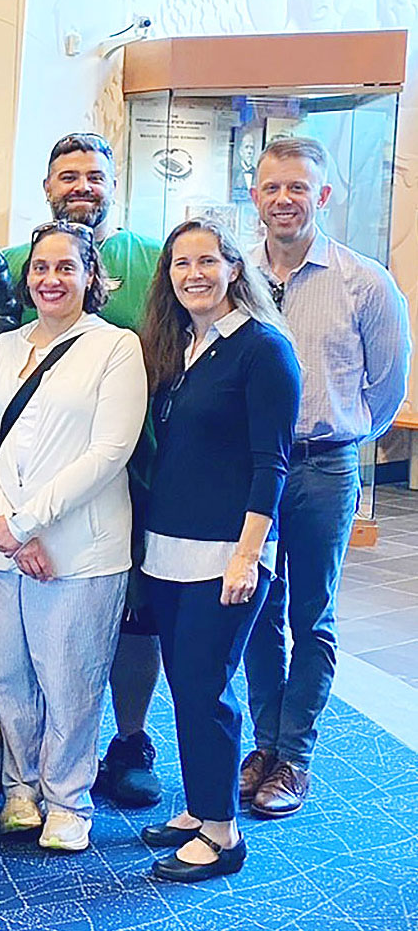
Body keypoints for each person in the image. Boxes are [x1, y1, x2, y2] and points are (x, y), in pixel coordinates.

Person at [0, 131, 167, 807]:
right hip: (18, 499)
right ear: (47, 187)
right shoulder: (11, 262)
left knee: (125, 622)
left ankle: (127, 740)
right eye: (68, 176)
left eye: (95, 176)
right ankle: (26, 774)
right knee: (19, 653)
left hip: (139, 472)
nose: (82, 186)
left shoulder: (153, 260)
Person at [0, 220, 146, 851]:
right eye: (40, 267)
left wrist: (25, 524)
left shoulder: (115, 347)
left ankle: (68, 800)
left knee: (70, 679)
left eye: (66, 267)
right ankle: (21, 787)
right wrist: (6, 528)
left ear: (91, 278)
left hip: (80, 550)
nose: (51, 279)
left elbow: (108, 453)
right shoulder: (5, 348)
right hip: (5, 547)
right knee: (10, 674)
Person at [241, 136, 411, 817]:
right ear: (254, 195)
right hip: (254, 469)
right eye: (272, 187)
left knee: (311, 614)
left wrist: (336, 434)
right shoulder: (237, 275)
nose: (284, 199)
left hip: (323, 466)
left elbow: (386, 389)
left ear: (323, 196)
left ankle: (294, 757)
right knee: (254, 607)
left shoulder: (363, 281)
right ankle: (262, 744)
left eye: (298, 188)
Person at [137, 218, 299, 882]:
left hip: (225, 555)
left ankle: (224, 835)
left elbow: (272, 464)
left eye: (206, 260)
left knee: (208, 688)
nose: (193, 274)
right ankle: (202, 806)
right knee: (185, 686)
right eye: (180, 263)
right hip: (166, 550)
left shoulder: (263, 349)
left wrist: (246, 555)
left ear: (235, 267)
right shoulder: (180, 347)